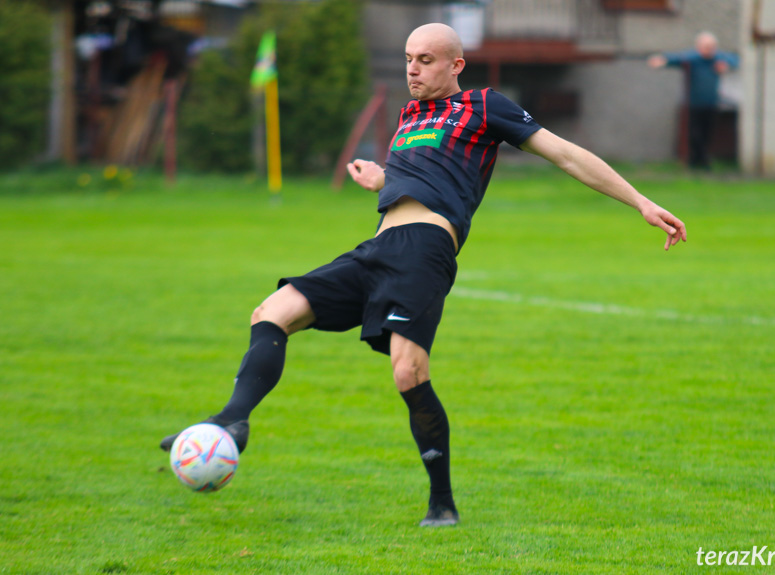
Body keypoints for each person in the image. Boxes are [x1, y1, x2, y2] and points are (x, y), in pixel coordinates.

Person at [160, 23, 687, 527]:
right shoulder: (410, 116)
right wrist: (382, 180)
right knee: (271, 312)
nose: (413, 69)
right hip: (378, 246)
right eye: (409, 59)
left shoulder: (484, 106)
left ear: (457, 64)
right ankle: (233, 421)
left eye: (426, 60)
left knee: (408, 372)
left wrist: (640, 201)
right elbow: (427, 176)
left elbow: (567, 156)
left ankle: (442, 503)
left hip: (425, 249)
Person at [648, 31, 739, 170]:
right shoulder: (693, 59)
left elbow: (735, 60)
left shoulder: (718, 59)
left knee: (707, 133)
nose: (709, 50)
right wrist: (662, 60)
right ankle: (695, 160)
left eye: (711, 47)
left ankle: (703, 160)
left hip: (711, 103)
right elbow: (676, 58)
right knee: (694, 134)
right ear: (699, 46)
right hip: (693, 104)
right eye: (706, 46)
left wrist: (726, 64)